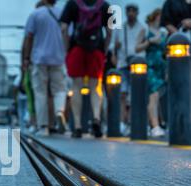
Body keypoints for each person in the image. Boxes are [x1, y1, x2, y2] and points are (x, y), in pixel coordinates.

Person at [60, 0, 112, 138]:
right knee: (95, 86)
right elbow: (110, 31)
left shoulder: (72, 4)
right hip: (96, 49)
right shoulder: (105, 5)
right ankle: (96, 118)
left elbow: (64, 28)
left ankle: (77, 126)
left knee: (76, 86)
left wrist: (67, 49)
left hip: (76, 48)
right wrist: (104, 50)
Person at [23, 0, 68, 137]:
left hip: (39, 58)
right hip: (58, 57)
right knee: (60, 89)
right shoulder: (62, 13)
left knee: (40, 92)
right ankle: (59, 111)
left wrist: (26, 58)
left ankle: (43, 127)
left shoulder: (35, 14)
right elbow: (68, 34)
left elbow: (29, 37)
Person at [112, 4, 145, 136]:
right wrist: (114, 53)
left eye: (133, 11)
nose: (131, 13)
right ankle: (121, 123)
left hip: (137, 64)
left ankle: (132, 122)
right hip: (122, 63)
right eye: (128, 11)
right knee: (122, 95)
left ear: (137, 13)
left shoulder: (142, 27)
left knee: (135, 96)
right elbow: (113, 47)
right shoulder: (120, 28)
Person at [136, 9, 167, 138]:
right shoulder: (145, 30)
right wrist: (150, 42)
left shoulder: (164, 32)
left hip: (162, 67)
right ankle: (154, 126)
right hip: (150, 66)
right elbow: (137, 48)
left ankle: (159, 123)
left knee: (159, 96)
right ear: (155, 16)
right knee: (152, 95)